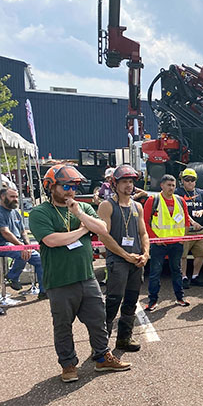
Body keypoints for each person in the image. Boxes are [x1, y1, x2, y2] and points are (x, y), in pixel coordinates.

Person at [28, 164, 131, 382]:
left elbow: (103, 228)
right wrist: (84, 230)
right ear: (51, 187)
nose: (70, 191)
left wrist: (78, 214)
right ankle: (68, 365)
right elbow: (52, 240)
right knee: (63, 325)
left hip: (86, 277)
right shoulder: (40, 213)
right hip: (59, 281)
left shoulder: (81, 208)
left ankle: (102, 357)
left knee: (98, 319)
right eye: (65, 186)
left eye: (73, 186)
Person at [97, 165, 150, 351]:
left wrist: (145, 253)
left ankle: (124, 339)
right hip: (118, 261)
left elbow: (143, 233)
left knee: (131, 301)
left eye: (131, 181)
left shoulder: (138, 206)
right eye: (124, 181)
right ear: (115, 183)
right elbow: (104, 236)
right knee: (113, 301)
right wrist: (126, 255)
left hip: (136, 261)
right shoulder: (106, 206)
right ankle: (101, 345)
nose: (129, 185)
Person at [143, 174, 200, 311]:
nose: (171, 188)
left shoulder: (180, 200)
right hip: (158, 244)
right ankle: (152, 301)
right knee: (155, 272)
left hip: (176, 244)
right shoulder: (153, 200)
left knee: (177, 270)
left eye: (173, 185)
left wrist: (182, 239)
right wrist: (155, 239)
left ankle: (180, 297)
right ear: (162, 185)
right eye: (168, 185)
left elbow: (186, 220)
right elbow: (145, 222)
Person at [0, 187, 46, 297]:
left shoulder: (16, 212)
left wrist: (27, 245)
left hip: (17, 244)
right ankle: (13, 276)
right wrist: (21, 246)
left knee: (40, 260)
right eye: (12, 197)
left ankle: (44, 291)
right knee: (21, 253)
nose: (15, 199)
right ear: (2, 197)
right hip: (3, 244)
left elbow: (23, 232)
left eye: (16, 197)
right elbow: (5, 232)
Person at [176, 168, 203, 288]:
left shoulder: (202, 193)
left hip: (200, 231)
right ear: (182, 181)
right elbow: (180, 211)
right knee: (183, 255)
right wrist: (192, 221)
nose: (190, 182)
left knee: (200, 254)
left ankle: (195, 276)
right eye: (187, 180)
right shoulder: (178, 193)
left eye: (192, 180)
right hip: (185, 231)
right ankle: (183, 277)